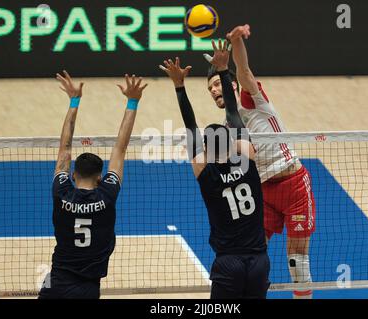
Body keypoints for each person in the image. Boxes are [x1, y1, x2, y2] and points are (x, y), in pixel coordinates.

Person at [204, 25, 316, 299]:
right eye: (210, 89)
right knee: (253, 254)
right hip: (262, 193)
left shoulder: (249, 99)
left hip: (293, 184)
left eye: (217, 84)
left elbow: (244, 70)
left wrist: (236, 41)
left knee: (297, 261)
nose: (214, 90)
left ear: (231, 84)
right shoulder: (226, 126)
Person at [159, 40, 270, 299]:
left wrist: (179, 86)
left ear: (207, 150)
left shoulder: (207, 175)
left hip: (228, 264)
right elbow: (233, 112)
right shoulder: (248, 162)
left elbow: (190, 128)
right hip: (258, 262)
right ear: (233, 144)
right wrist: (223, 69)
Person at [38, 71, 147, 299]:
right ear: (100, 178)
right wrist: (132, 101)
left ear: (73, 175)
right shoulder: (106, 195)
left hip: (56, 281)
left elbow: (65, 149)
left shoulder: (61, 191)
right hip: (88, 288)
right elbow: (120, 148)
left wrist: (74, 101)